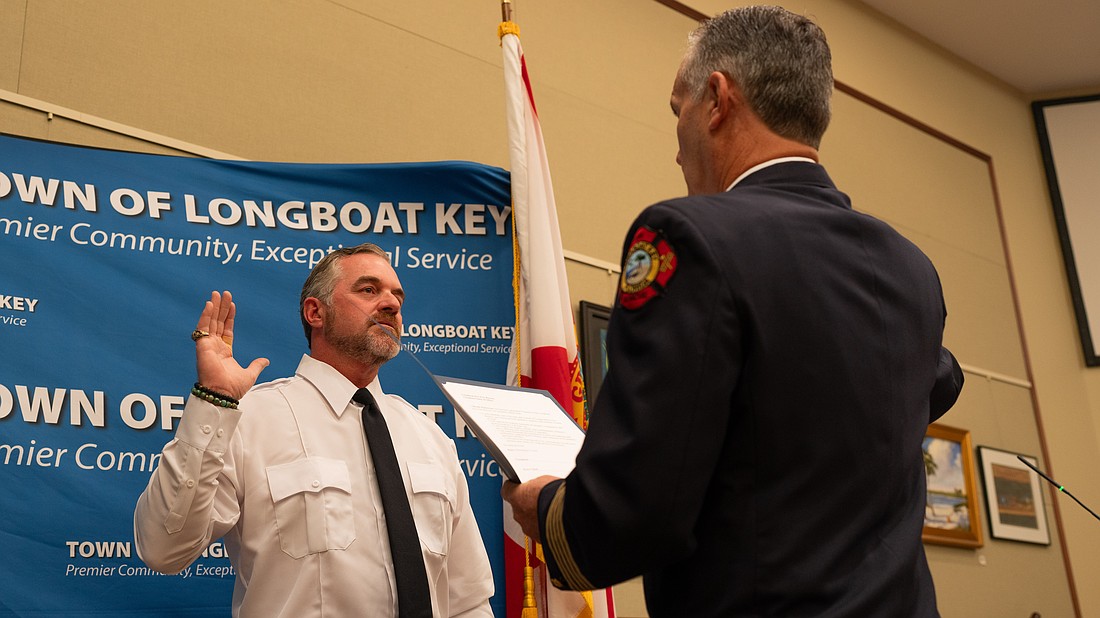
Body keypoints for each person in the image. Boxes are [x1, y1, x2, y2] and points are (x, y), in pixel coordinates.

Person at [502, 6, 964, 617]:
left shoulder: (689, 236)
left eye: (678, 110)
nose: (675, 148)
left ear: (717, 99)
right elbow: (934, 381)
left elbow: (638, 508)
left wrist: (550, 510)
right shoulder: (910, 267)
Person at [134, 243, 493, 617]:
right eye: (369, 290)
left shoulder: (430, 438)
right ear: (315, 312)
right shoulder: (248, 419)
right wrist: (214, 401)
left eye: (397, 295)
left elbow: (467, 600)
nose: (391, 304)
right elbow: (163, 549)